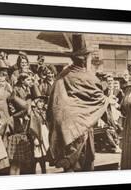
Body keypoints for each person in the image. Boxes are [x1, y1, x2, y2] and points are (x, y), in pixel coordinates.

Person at [47, 34, 116, 172]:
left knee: (70, 164)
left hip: (65, 128)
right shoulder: (88, 76)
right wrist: (109, 97)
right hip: (81, 127)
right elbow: (98, 99)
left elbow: (53, 102)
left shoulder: (64, 74)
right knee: (82, 163)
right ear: (85, 59)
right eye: (89, 57)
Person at [5, 72, 36, 175]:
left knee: (24, 157)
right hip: (18, 122)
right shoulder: (16, 90)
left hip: (26, 123)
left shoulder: (28, 90)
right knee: (16, 158)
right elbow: (12, 107)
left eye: (31, 80)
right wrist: (23, 113)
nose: (30, 82)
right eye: (28, 80)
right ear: (22, 80)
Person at [29, 95, 49, 174]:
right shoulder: (33, 113)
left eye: (43, 102)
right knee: (37, 154)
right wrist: (35, 138)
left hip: (44, 132)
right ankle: (33, 171)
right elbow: (32, 126)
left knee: (43, 153)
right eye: (39, 102)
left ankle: (44, 171)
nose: (42, 104)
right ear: (35, 103)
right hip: (37, 133)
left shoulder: (43, 111)